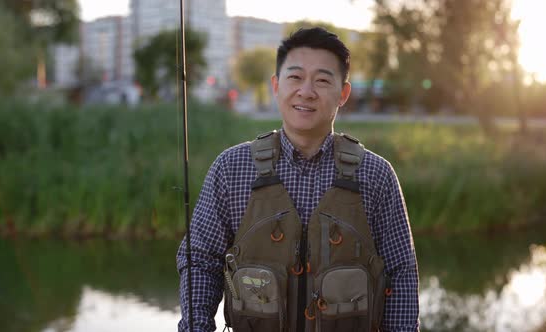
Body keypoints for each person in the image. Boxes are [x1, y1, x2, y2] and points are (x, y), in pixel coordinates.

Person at [177, 27, 419, 332]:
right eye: (295, 77)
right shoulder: (232, 167)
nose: (306, 91)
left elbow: (401, 275)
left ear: (343, 94)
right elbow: (200, 259)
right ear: (276, 86)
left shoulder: (376, 175)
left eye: (321, 80)